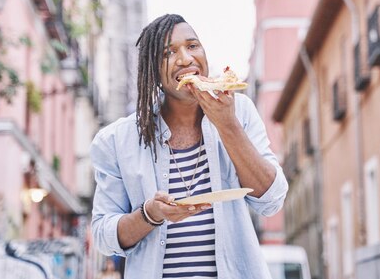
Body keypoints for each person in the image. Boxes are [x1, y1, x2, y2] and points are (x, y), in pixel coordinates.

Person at [90, 14, 288, 279]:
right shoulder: (116, 140)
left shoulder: (239, 112)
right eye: (168, 53)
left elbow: (272, 200)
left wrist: (227, 126)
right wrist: (151, 214)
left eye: (192, 45)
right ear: (153, 72)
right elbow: (103, 234)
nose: (185, 59)